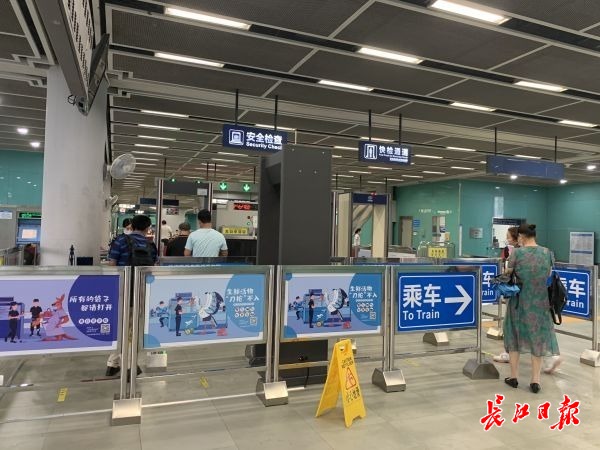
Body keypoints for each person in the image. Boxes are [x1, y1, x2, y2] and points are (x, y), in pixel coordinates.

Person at [502, 224, 560, 393]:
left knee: (514, 336)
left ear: (521, 237)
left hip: (519, 302)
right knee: (537, 338)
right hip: (540, 303)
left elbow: (507, 274)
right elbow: (548, 275)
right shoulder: (547, 253)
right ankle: (535, 381)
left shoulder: (517, 253)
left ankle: (514, 377)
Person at [494, 226, 520, 364]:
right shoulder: (541, 252)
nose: (507, 239)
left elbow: (508, 271)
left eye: (508, 236)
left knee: (509, 323)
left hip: (515, 292)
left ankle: (508, 352)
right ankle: (551, 357)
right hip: (531, 295)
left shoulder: (516, 253)